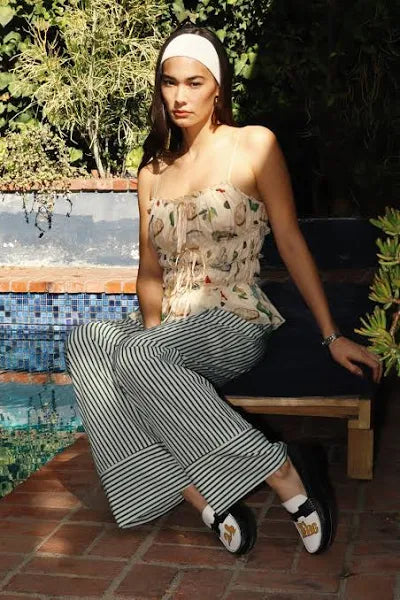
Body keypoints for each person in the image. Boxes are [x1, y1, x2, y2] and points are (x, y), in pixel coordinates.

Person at [64, 21, 382, 557]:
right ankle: (203, 499)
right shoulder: (153, 172)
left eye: (194, 82)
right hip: (172, 327)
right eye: (170, 82)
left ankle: (281, 470)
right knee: (86, 339)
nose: (180, 96)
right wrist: (153, 343)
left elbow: (291, 240)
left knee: (138, 355)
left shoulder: (252, 144)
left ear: (217, 88)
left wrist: (332, 336)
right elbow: (149, 269)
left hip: (232, 318)